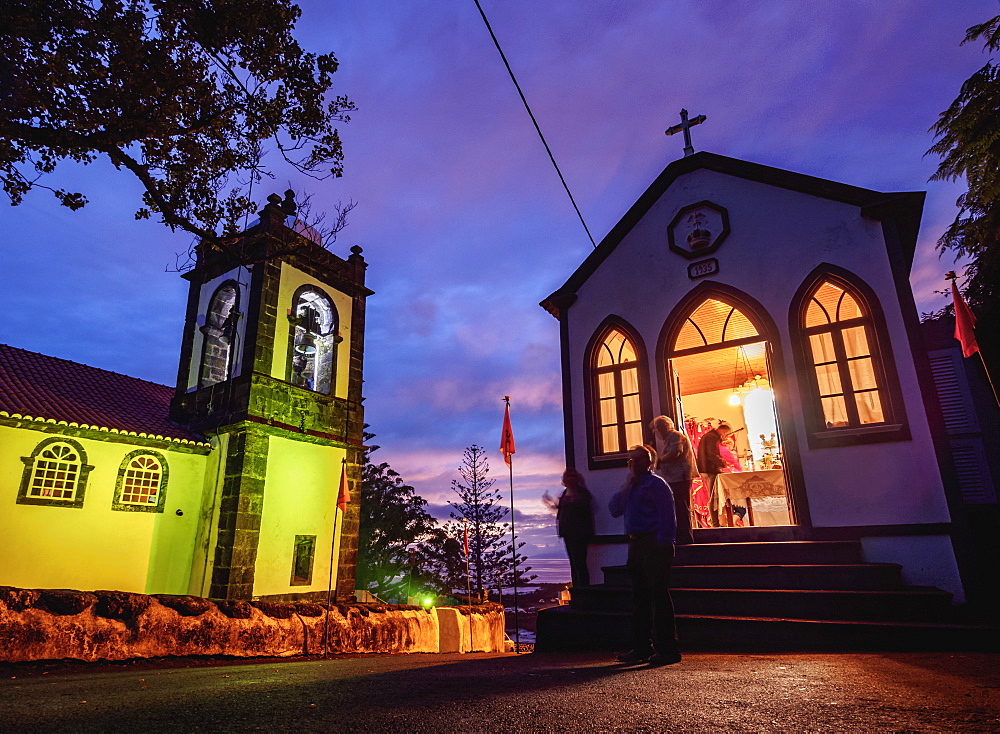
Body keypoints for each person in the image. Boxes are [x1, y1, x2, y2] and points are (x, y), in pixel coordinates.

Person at [608, 445, 681, 666]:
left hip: (655, 544)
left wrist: (663, 543)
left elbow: (668, 516)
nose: (633, 463)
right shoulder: (631, 486)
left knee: (658, 595)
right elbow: (614, 509)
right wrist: (625, 487)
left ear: (648, 462)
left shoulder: (657, 484)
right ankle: (641, 647)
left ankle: (668, 650)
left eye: (638, 459)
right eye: (630, 460)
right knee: (639, 597)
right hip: (636, 543)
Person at [650, 416, 698, 545]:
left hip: (680, 477)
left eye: (660, 428)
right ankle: (681, 535)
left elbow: (676, 452)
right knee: (678, 507)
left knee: (681, 507)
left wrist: (660, 460)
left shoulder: (675, 436)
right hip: (675, 477)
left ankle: (685, 537)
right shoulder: (670, 438)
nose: (659, 431)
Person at [542, 469, 595, 587]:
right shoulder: (565, 494)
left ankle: (583, 590)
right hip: (567, 533)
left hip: (579, 534)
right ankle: (578, 589)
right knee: (574, 563)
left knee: (579, 563)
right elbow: (562, 509)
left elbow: (582, 508)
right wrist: (551, 503)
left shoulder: (582, 493)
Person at [696, 422, 733, 527]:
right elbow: (712, 454)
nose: (725, 436)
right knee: (713, 497)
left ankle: (715, 522)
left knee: (713, 496)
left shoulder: (708, 435)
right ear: (724, 430)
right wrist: (723, 463)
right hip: (710, 470)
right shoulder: (712, 437)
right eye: (726, 433)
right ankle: (715, 523)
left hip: (706, 469)